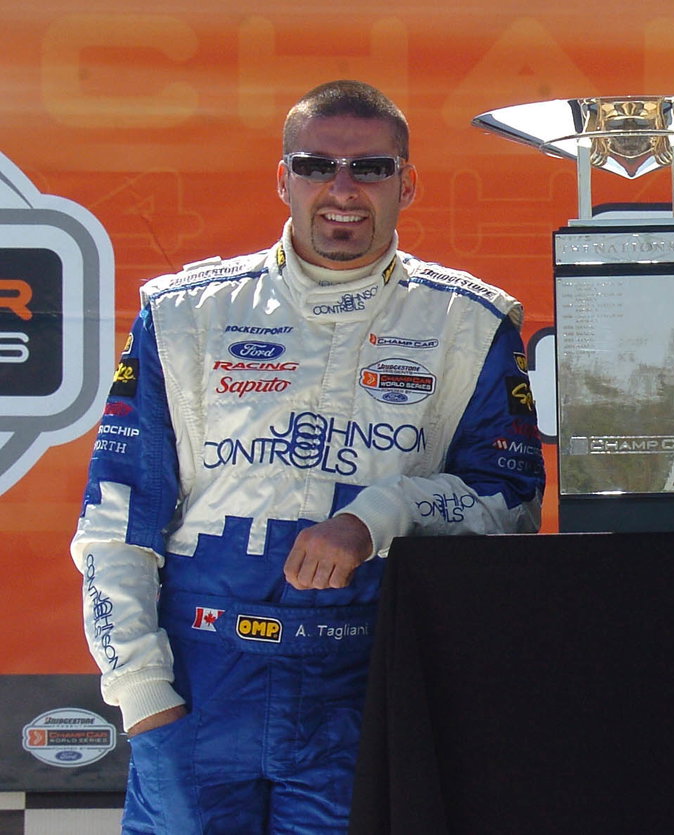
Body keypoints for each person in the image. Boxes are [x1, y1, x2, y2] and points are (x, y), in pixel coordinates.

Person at [70, 80, 545, 834]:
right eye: (317, 166)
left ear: (408, 182)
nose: (344, 189)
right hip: (199, 684)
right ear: (282, 179)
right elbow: (116, 524)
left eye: (372, 168)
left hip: (364, 682)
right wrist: (144, 697)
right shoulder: (184, 313)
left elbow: (512, 504)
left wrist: (378, 516)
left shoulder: (469, 320)